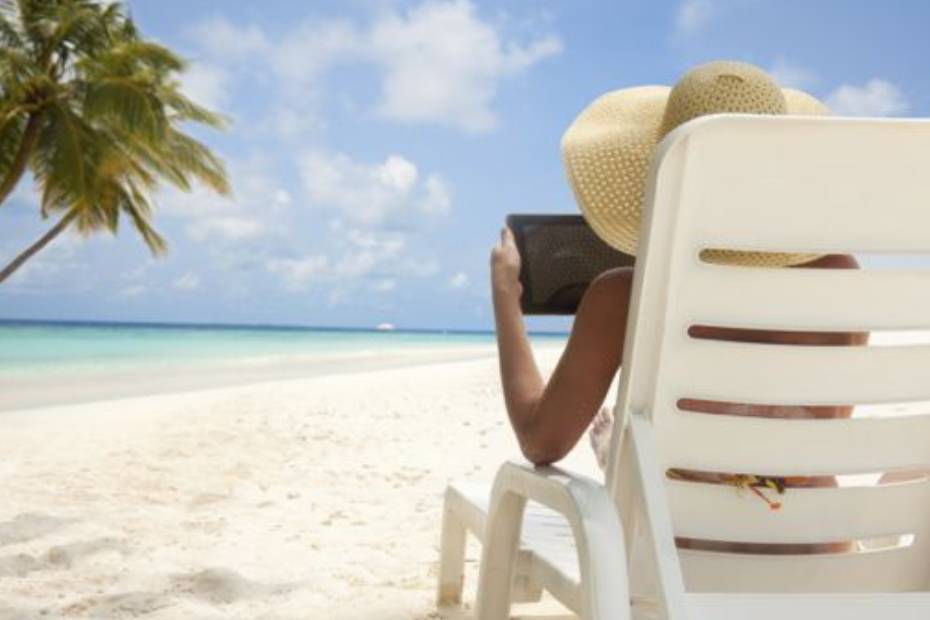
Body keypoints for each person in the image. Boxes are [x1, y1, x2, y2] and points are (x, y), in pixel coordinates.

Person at [490, 61, 868, 479]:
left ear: (659, 177)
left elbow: (541, 442)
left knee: (635, 457)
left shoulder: (624, 297)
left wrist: (506, 297)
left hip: (669, 539)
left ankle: (629, 452)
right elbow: (821, 437)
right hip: (815, 533)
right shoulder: (841, 279)